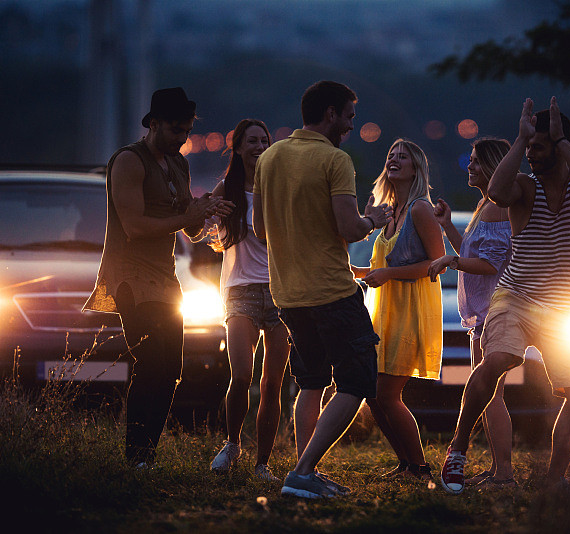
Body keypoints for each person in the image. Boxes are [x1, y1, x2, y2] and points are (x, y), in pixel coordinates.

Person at [439, 97, 570, 494]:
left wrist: (560, 141)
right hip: (514, 296)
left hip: (564, 308)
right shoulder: (524, 188)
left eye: (539, 146)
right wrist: (520, 138)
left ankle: (556, 478)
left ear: (561, 145)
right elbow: (497, 191)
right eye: (528, 147)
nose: (531, 154)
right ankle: (458, 448)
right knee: (499, 360)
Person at [252, 80, 393, 499]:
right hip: (332, 292)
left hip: (287, 295)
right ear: (330, 113)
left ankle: (304, 472)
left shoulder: (269, 157)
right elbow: (349, 227)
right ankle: (302, 472)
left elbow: (260, 230)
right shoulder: (335, 159)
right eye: (348, 116)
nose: (351, 125)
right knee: (357, 381)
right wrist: (374, 220)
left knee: (311, 382)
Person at [83, 87, 234, 467]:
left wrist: (204, 212)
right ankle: (135, 455)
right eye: (175, 130)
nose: (182, 138)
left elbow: (190, 229)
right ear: (153, 124)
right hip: (131, 276)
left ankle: (145, 456)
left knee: (171, 371)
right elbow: (134, 227)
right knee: (150, 365)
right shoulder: (129, 161)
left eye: (186, 131)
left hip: (165, 278)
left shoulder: (179, 164)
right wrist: (187, 216)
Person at [350, 139, 444, 481]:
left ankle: (420, 468)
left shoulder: (420, 209)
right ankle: (405, 464)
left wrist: (388, 274)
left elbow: (438, 263)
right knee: (373, 396)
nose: (394, 159)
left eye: (403, 157)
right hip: (385, 314)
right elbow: (384, 265)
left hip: (410, 312)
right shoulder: (391, 211)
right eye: (391, 155)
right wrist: (357, 272)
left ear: (416, 169)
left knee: (387, 395)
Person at [206, 119, 290, 482]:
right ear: (238, 148)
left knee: (272, 384)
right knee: (241, 375)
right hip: (240, 290)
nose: (259, 146)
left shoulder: (279, 187)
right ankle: (232, 444)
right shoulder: (227, 188)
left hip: (280, 291)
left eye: (264, 141)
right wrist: (202, 214)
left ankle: (262, 465)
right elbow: (199, 229)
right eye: (252, 141)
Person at [427, 137, 514, 487]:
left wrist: (451, 260)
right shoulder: (485, 205)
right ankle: (497, 470)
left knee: (492, 394)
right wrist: (448, 226)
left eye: (477, 161)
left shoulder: (496, 208)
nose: (470, 165)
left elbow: (489, 264)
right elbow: (473, 254)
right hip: (483, 311)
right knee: (490, 394)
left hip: (494, 310)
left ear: (492, 167)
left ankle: (503, 473)